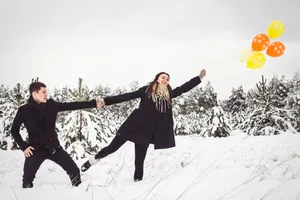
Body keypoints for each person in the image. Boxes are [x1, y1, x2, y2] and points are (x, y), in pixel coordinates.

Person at [81, 69, 207, 182]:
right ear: (157, 79)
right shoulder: (146, 90)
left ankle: (137, 184)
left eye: (167, 79)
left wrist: (198, 78)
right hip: (133, 125)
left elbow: (183, 88)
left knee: (139, 161)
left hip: (146, 132)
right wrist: (106, 101)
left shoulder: (168, 95)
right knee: (112, 148)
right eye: (163, 77)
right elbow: (127, 96)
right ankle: (91, 161)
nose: (165, 80)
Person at [11, 81, 102, 188]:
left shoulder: (51, 106)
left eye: (46, 91)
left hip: (53, 148)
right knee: (27, 180)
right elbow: (14, 130)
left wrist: (94, 103)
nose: (46, 94)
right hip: (35, 150)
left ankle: (78, 193)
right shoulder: (24, 110)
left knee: (74, 171)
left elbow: (72, 105)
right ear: (34, 94)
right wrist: (24, 146)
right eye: (43, 92)